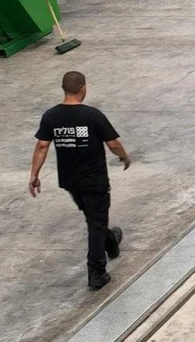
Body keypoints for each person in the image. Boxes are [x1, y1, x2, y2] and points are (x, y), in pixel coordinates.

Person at [30, 70, 130, 290]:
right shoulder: (92, 115)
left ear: (64, 89)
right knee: (95, 223)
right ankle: (96, 272)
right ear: (83, 88)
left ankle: (111, 242)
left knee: (94, 218)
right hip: (94, 180)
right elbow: (113, 144)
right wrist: (124, 156)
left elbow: (42, 145)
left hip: (70, 181)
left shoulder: (51, 116)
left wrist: (34, 175)